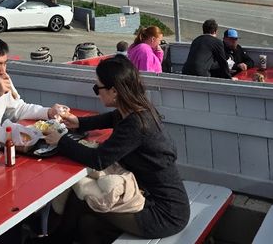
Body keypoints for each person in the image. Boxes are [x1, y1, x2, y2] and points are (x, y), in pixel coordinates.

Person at [43, 56, 190, 243]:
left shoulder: (135, 125)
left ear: (114, 91)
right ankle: (57, 237)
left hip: (162, 214)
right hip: (161, 201)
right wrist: (79, 123)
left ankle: (54, 239)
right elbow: (112, 118)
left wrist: (61, 140)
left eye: (98, 88)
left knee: (83, 199)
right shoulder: (139, 110)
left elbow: (98, 160)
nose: (96, 92)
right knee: (87, 222)